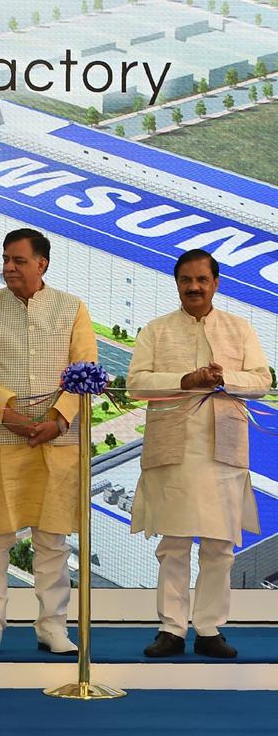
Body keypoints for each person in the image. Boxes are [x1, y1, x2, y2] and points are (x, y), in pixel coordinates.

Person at [0, 228, 96, 656]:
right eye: (5, 260)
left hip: (58, 442)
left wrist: (58, 420)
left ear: (42, 264)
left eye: (18, 260)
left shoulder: (72, 308)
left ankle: (53, 626)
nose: (9, 268)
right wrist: (12, 416)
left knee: (53, 540)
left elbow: (87, 370)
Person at [128, 249, 269, 659]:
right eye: (186, 280)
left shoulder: (238, 329)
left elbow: (262, 380)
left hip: (222, 451)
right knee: (173, 544)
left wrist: (225, 377)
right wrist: (186, 380)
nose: (194, 287)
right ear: (177, 283)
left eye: (202, 280)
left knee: (219, 546)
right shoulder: (156, 330)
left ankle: (208, 629)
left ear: (216, 284)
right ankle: (171, 628)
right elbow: (136, 383)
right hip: (172, 449)